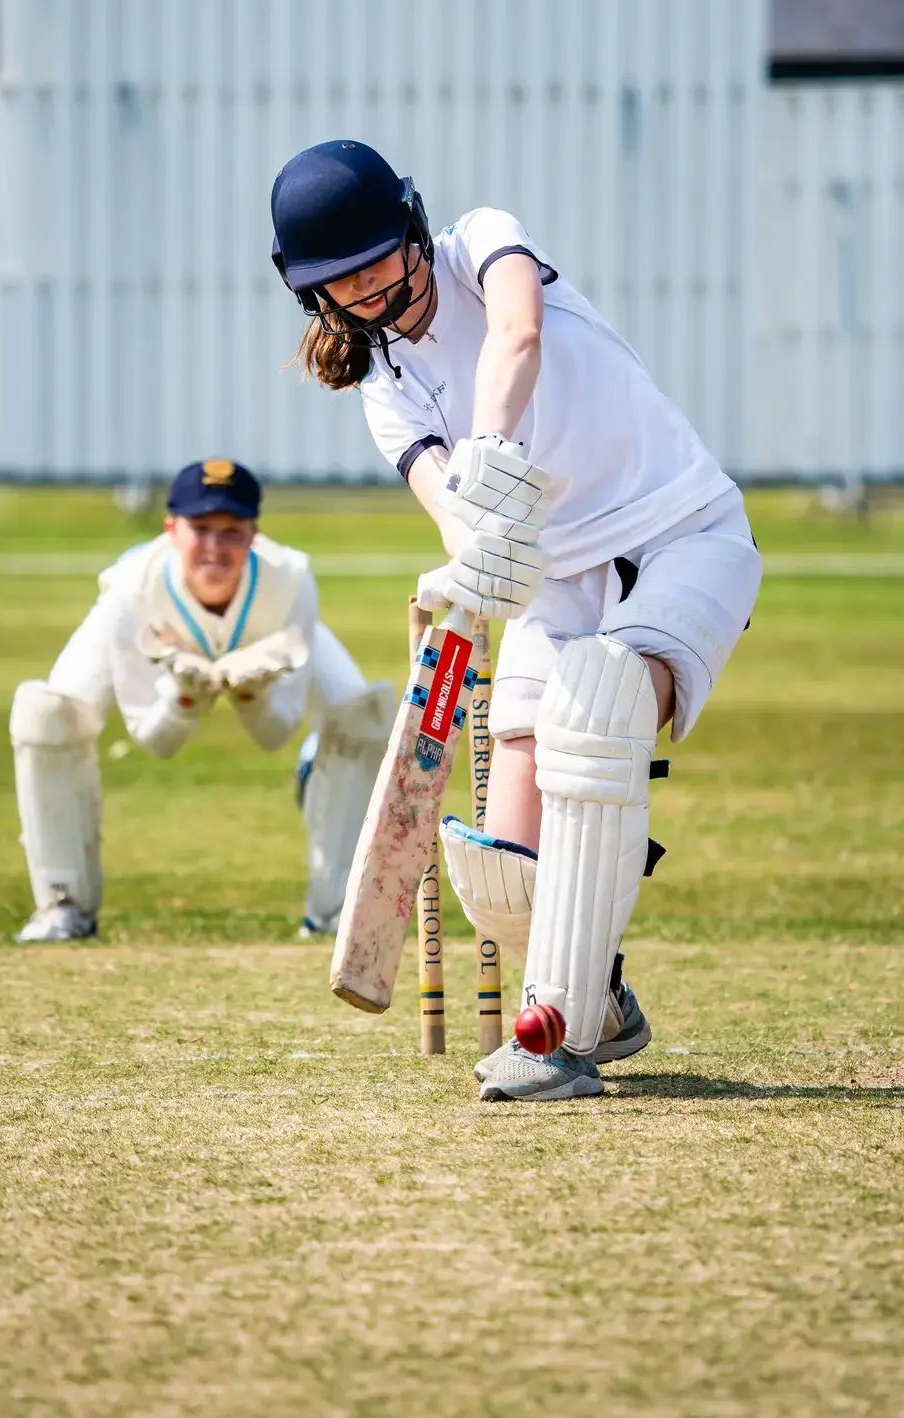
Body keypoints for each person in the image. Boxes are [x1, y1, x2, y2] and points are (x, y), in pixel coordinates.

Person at [270, 140, 763, 1103]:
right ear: (313, 295)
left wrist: (490, 443)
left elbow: (519, 337)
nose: (370, 292)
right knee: (499, 872)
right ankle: (600, 994)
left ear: (412, 227)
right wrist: (474, 550)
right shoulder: (386, 389)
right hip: (558, 579)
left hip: (685, 531)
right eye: (343, 282)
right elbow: (446, 504)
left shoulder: (480, 242)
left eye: (377, 260)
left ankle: (558, 1034)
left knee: (601, 705)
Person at [10, 458, 394, 943]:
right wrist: (183, 697)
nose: (216, 546)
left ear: (255, 533)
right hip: (147, 627)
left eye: (232, 530)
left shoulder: (290, 582)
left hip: (266, 630)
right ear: (171, 529)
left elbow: (275, 733)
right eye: (201, 529)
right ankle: (63, 905)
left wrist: (252, 695)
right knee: (47, 717)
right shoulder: (131, 593)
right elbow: (154, 741)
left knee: (367, 717)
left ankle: (338, 908)